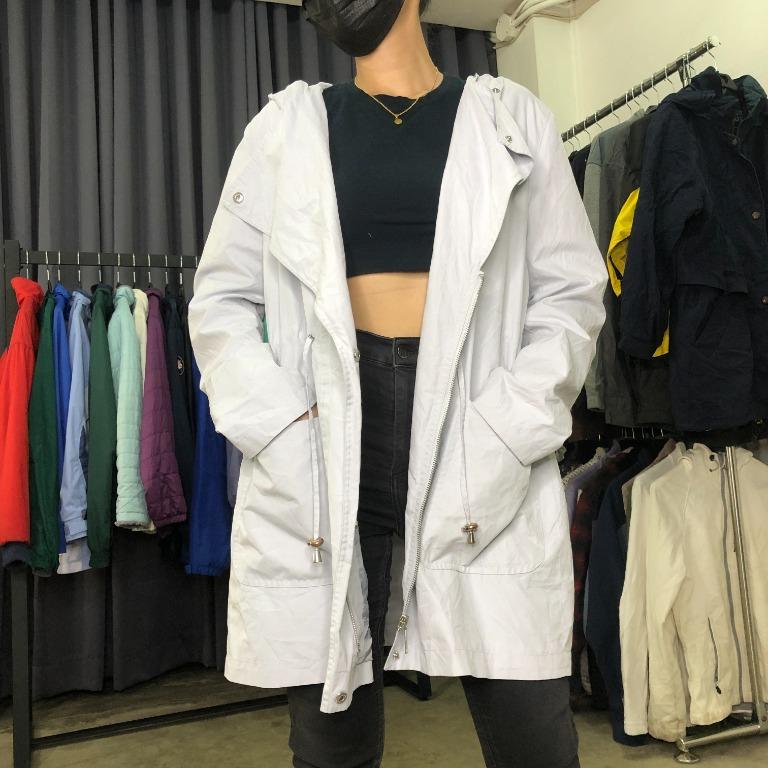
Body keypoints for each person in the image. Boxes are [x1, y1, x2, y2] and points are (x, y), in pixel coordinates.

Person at [187, 0, 608, 765]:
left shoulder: (509, 118)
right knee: (332, 742)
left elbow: (570, 292)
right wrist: (278, 424)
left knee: (534, 738)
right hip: (329, 436)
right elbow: (222, 301)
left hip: (474, 428)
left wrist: (510, 421)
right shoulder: (287, 129)